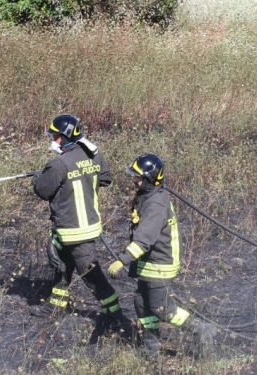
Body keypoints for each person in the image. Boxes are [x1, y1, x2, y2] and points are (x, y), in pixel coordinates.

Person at [106, 154, 217, 359]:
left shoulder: (156, 204)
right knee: (141, 304)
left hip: (160, 264)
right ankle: (151, 348)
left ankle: (201, 329)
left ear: (151, 178)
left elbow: (144, 239)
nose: (134, 180)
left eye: (138, 177)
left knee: (162, 309)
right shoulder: (148, 197)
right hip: (148, 264)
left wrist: (122, 260)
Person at [30, 114, 128, 331]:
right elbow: (105, 178)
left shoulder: (58, 164)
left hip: (74, 230)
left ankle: (116, 316)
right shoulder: (92, 154)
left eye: (56, 137)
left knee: (92, 275)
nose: (54, 142)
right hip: (83, 227)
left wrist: (41, 177)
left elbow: (42, 190)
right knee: (62, 268)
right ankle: (55, 307)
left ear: (65, 137)